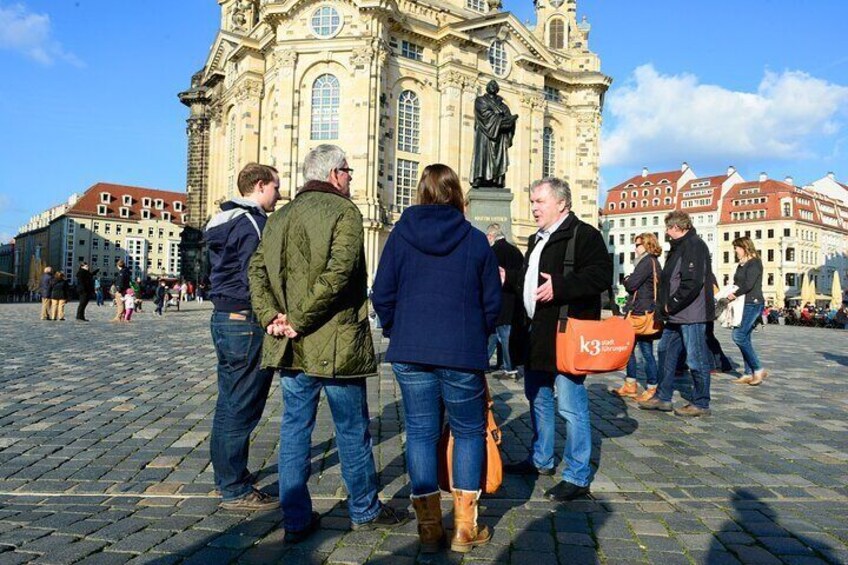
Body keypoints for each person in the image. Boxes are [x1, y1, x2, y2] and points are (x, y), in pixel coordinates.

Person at [249, 144, 409, 543]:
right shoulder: (345, 212)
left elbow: (256, 271)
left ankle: (297, 518)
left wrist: (273, 317)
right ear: (336, 173)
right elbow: (339, 274)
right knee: (353, 430)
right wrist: (297, 320)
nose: (352, 178)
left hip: (291, 347)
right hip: (335, 345)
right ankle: (364, 509)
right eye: (349, 171)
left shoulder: (279, 216)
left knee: (294, 431)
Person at [372, 165, 501, 553]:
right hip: (461, 350)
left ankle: (429, 528)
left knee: (421, 432)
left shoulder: (400, 237)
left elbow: (382, 293)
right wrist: (479, 333)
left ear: (421, 195)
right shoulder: (476, 240)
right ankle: (464, 528)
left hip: (411, 349)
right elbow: (491, 301)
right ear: (457, 195)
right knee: (467, 432)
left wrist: (400, 327)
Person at [501, 177, 613, 502]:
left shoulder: (584, 235)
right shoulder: (537, 238)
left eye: (539, 201)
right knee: (538, 398)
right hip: (537, 336)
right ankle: (541, 459)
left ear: (561, 203)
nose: (533, 207)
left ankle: (577, 475)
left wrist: (562, 286)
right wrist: (511, 279)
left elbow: (601, 275)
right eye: (532, 201)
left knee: (571, 405)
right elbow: (531, 282)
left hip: (566, 336)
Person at [205, 162, 282, 511]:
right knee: (242, 405)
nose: (278, 194)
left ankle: (229, 474)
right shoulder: (253, 222)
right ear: (260, 186)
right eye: (275, 187)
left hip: (224, 316)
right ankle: (234, 487)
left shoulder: (221, 218)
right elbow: (258, 274)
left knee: (229, 402)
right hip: (245, 318)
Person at [639, 211, 715, 417]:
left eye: (668, 227)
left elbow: (692, 282)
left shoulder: (694, 245)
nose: (665, 231)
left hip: (691, 314)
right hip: (675, 315)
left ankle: (701, 402)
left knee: (696, 359)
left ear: (677, 228)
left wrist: (670, 304)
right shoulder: (679, 246)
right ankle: (663, 398)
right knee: (665, 353)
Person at [612, 232, 662, 402]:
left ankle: (652, 386)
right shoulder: (651, 261)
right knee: (631, 349)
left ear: (647, 245)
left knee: (646, 352)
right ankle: (631, 384)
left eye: (638, 244)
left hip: (642, 312)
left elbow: (632, 284)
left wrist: (626, 279)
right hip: (642, 310)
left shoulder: (647, 262)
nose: (635, 248)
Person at [728, 237, 769, 386]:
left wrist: (734, 294)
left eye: (737, 248)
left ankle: (758, 369)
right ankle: (747, 372)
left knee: (738, 335)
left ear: (744, 247)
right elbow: (738, 282)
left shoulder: (754, 263)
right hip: (743, 303)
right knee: (745, 337)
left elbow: (748, 284)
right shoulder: (742, 264)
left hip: (753, 302)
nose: (735, 251)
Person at [486, 223, 524, 378]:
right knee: (497, 333)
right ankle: (496, 362)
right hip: (514, 299)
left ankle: (509, 367)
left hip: (498, 299)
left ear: (491, 236)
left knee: (501, 333)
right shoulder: (516, 251)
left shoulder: (492, 252)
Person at [470, 80, 517, 188]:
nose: (493, 86)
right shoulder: (480, 100)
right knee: (482, 156)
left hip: (499, 138)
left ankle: (497, 180)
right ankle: (480, 178)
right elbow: (485, 115)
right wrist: (502, 119)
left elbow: (508, 119)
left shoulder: (503, 105)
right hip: (484, 136)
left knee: (498, 159)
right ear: (487, 88)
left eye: (495, 85)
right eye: (491, 85)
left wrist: (510, 120)